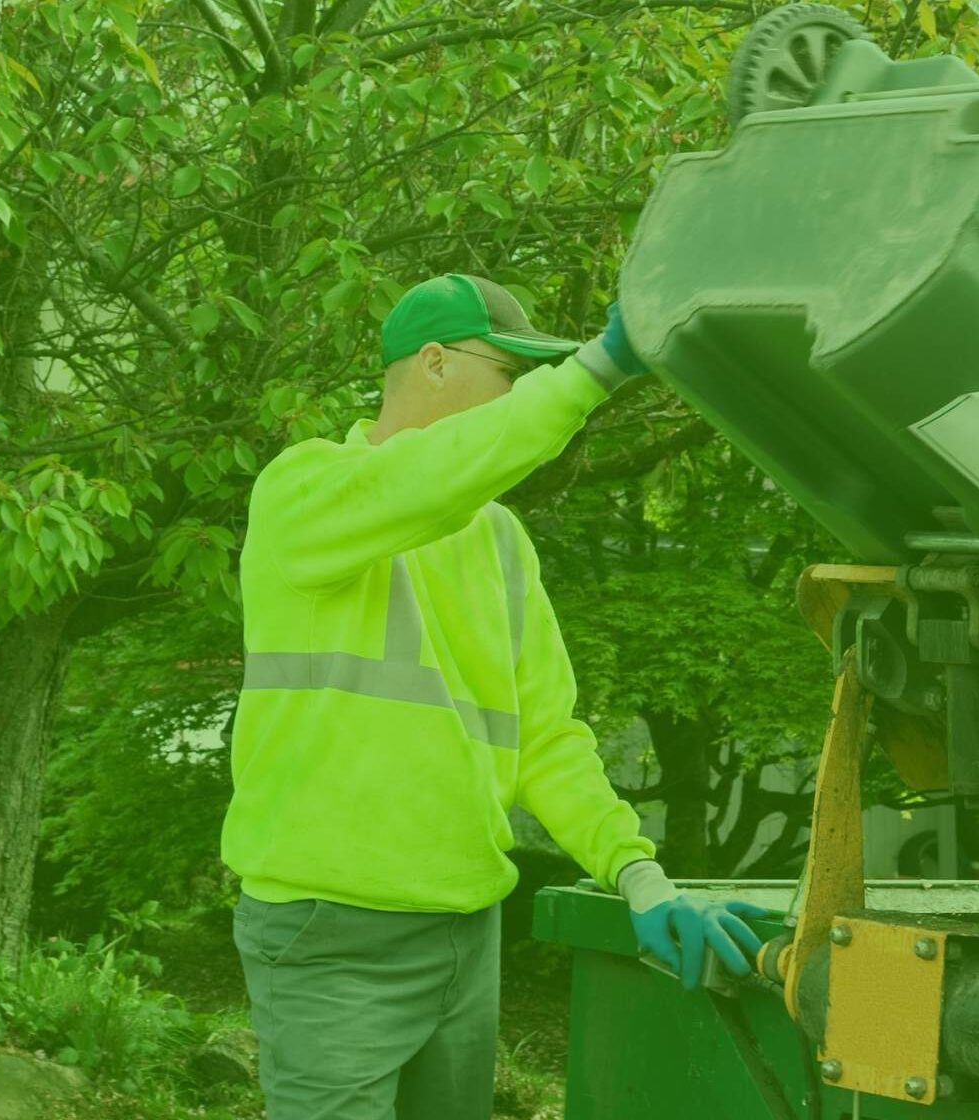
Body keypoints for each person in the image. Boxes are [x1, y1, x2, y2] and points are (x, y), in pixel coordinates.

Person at [222, 273, 764, 1118]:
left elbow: (547, 738)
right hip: (330, 937)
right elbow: (430, 477)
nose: (522, 399)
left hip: (464, 934)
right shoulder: (303, 493)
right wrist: (600, 367)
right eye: (511, 376)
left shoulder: (501, 542)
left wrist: (639, 874)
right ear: (433, 364)